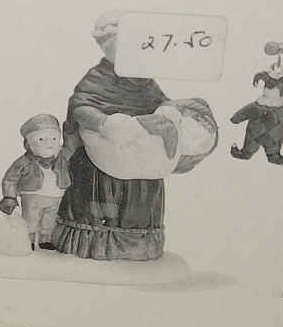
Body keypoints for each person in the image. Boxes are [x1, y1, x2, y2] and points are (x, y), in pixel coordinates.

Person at [50, 13, 218, 261]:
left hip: (142, 155)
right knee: (101, 199)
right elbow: (81, 107)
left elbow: (160, 100)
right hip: (100, 157)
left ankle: (137, 247)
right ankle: (93, 246)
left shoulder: (143, 79)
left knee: (140, 198)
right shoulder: (96, 77)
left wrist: (166, 112)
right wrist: (106, 123)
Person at [0, 113, 69, 249]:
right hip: (32, 196)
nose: (49, 143)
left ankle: (45, 240)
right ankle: (28, 240)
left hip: (56, 196)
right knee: (30, 218)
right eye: (42, 139)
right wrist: (9, 196)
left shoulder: (61, 158)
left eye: (54, 139)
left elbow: (71, 147)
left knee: (50, 219)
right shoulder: (24, 162)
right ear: (29, 144)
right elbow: (10, 179)